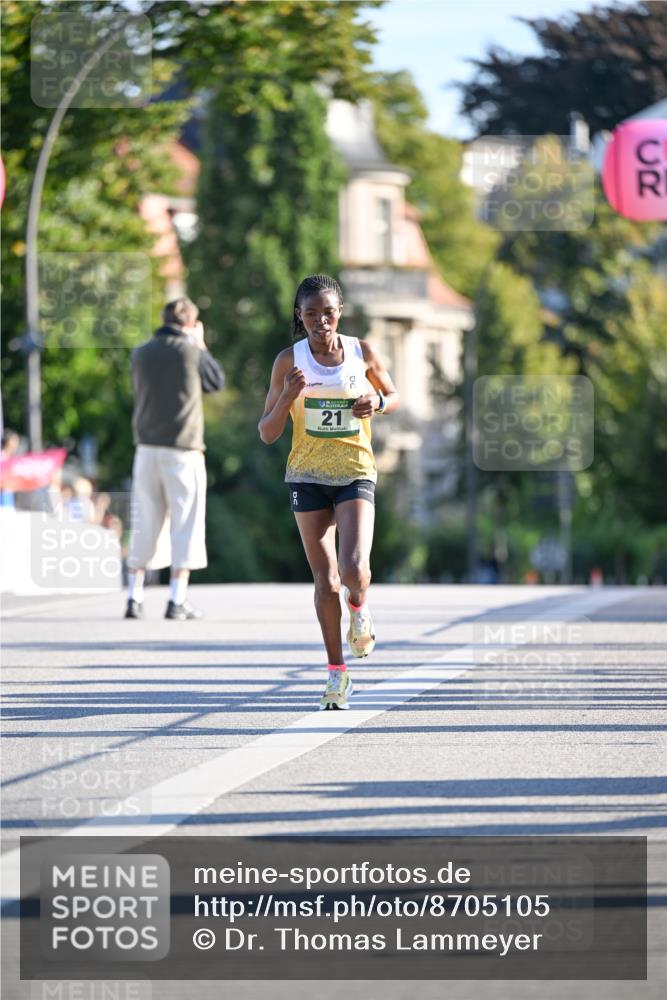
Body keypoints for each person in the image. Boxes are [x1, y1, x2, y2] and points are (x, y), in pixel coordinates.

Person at [258, 274, 399, 710]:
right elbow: (266, 432)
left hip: (355, 470)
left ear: (341, 313)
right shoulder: (289, 361)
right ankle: (337, 676)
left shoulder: (363, 353)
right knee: (326, 580)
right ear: (299, 317)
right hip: (306, 475)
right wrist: (286, 398)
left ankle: (359, 607)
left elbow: (393, 394)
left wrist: (376, 403)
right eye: (312, 314)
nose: (322, 321)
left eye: (329, 313)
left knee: (354, 570)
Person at [125, 297, 224, 620]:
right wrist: (201, 343)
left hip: (146, 449)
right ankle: (176, 599)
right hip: (183, 450)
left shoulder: (140, 353)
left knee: (146, 520)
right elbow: (216, 382)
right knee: (186, 523)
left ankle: (134, 596)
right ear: (191, 323)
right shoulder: (191, 352)